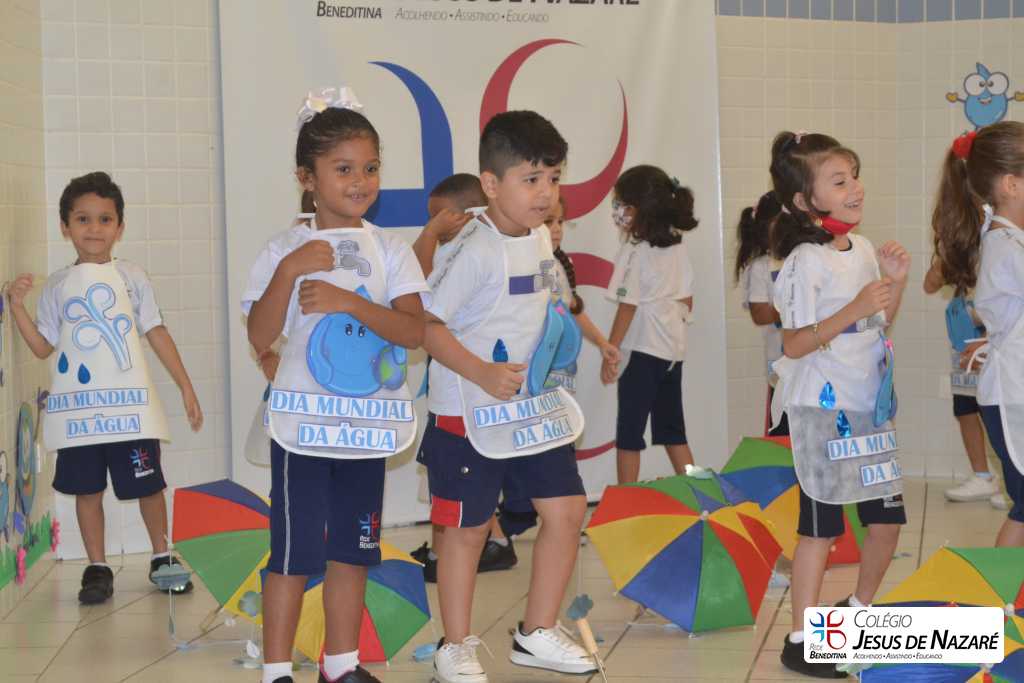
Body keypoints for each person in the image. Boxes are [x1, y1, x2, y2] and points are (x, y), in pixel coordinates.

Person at [243, 88, 428, 683]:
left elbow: (414, 331)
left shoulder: (392, 250)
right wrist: (289, 271)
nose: (360, 181)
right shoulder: (283, 248)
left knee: (353, 549)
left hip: (367, 428)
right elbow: (259, 334)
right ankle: (276, 669)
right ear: (307, 178)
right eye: (343, 169)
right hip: (302, 429)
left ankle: (341, 665)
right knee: (293, 553)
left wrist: (351, 302)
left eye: (370, 168)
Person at [420, 110, 596, 682]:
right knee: (468, 531)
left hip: (532, 407)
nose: (546, 193)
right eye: (531, 179)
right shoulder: (473, 249)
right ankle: (454, 645)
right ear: (491, 184)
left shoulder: (541, 236)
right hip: (467, 410)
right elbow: (427, 325)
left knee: (566, 510)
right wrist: (480, 372)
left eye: (553, 178)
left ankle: (536, 631)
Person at [9, 171, 203, 605]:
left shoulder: (132, 276)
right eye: (83, 219)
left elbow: (156, 331)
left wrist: (185, 385)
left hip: (129, 410)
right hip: (80, 413)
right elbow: (42, 346)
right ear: (65, 226)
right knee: (87, 488)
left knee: (148, 485)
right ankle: (97, 567)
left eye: (104, 219)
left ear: (119, 226)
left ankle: (162, 557)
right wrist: (16, 305)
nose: (94, 229)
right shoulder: (57, 285)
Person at [767, 131, 909, 679]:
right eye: (840, 180)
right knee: (820, 530)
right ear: (807, 201)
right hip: (822, 413)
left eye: (855, 176)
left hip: (868, 407)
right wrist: (854, 307)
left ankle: (856, 614)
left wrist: (893, 284)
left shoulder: (864, 249)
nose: (856, 188)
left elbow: (877, 324)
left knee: (887, 523)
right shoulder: (804, 261)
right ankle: (803, 639)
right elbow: (794, 343)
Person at [932, 123, 1024, 549]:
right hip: (1013, 394)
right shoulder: (1007, 245)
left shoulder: (1010, 240)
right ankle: (1001, 588)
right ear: (1011, 185)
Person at [601, 165, 699, 484]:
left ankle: (627, 500)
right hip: (672, 353)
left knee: (629, 433)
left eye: (622, 204)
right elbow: (687, 301)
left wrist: (611, 351)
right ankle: (703, 496)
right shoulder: (679, 247)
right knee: (674, 431)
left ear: (639, 209)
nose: (618, 211)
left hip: (642, 351)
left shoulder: (635, 252)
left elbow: (627, 306)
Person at [922, 257, 1005, 508]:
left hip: (994, 345)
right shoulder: (957, 253)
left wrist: (989, 339)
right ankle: (983, 477)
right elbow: (929, 285)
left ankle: (1013, 481)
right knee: (965, 409)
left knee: (998, 414)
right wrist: (945, 257)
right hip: (964, 346)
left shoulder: (997, 248)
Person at [735, 191, 787, 436]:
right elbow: (760, 314)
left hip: (812, 369)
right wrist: (793, 310)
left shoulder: (806, 257)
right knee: (781, 435)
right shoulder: (762, 265)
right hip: (781, 366)